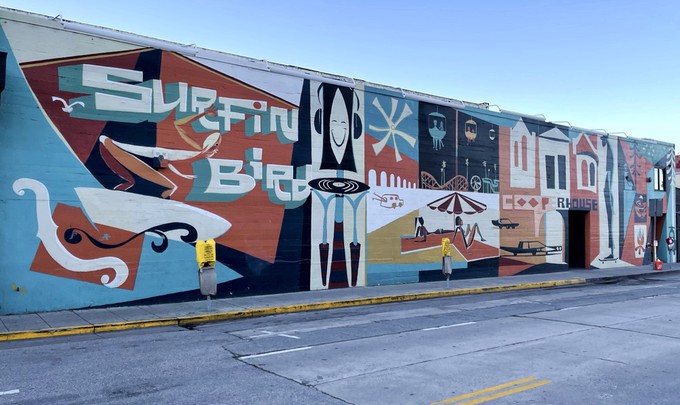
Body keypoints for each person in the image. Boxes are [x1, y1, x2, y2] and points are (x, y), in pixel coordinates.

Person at [99, 104, 221, 199]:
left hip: (148, 155)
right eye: (215, 145)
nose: (216, 149)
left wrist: (181, 175)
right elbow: (178, 124)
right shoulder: (196, 149)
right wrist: (203, 113)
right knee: (171, 186)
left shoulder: (197, 154)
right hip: (143, 152)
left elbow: (168, 162)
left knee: (172, 187)